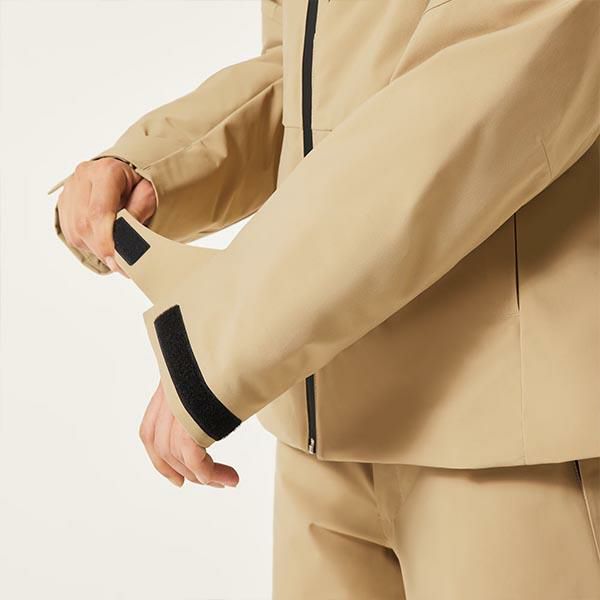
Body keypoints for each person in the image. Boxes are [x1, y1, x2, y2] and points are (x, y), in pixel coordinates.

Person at [48, 0, 600, 598]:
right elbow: (306, 76)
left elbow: (462, 114)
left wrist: (212, 349)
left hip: (502, 445)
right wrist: (153, 169)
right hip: (322, 442)